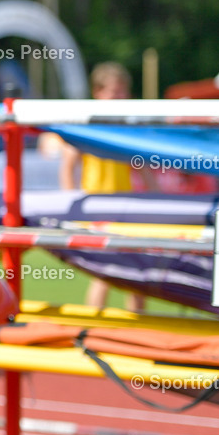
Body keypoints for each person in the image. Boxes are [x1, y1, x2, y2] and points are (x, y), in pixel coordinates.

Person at [59, 62, 146, 312]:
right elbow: (68, 165)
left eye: (123, 91)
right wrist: (69, 200)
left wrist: (157, 196)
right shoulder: (87, 125)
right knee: (103, 272)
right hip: (96, 204)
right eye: (114, 91)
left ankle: (139, 324)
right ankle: (95, 324)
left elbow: (141, 166)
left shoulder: (128, 126)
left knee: (138, 270)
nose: (120, 97)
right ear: (98, 92)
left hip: (127, 203)